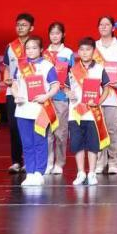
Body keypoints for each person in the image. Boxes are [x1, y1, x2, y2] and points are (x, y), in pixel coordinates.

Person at [11, 36, 60, 187]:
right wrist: (16, 96)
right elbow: (14, 84)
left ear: (41, 50)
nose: (30, 51)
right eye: (28, 48)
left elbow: (56, 85)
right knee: (26, 143)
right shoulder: (21, 66)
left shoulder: (47, 66)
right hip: (22, 109)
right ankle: (30, 172)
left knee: (39, 141)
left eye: (34, 48)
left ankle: (39, 172)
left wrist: (46, 96)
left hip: (40, 110)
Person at [68, 38, 112, 186]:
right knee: (77, 143)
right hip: (75, 113)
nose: (85, 52)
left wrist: (99, 102)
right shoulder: (72, 69)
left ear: (94, 51)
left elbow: (106, 88)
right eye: (82, 49)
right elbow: (66, 87)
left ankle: (92, 173)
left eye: (88, 49)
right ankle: (81, 173)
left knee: (93, 144)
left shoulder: (100, 68)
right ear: (78, 51)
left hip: (92, 113)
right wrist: (68, 93)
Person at [92, 16, 117, 176]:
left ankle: (113, 161)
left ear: (113, 28)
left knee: (113, 129)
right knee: (98, 129)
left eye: (107, 24)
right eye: (101, 24)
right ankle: (100, 161)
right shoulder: (93, 46)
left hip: (114, 94)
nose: (103, 27)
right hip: (96, 94)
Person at [2, 13, 35, 174]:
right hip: (13, 92)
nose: (20, 27)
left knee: (30, 126)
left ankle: (30, 160)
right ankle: (16, 161)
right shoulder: (10, 47)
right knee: (14, 127)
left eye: (24, 25)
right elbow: (7, 69)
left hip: (31, 91)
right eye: (18, 25)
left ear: (31, 28)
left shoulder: (34, 46)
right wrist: (6, 79)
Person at [43, 22, 74, 176]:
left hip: (61, 96)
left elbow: (72, 74)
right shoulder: (43, 53)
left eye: (57, 33)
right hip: (46, 98)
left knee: (60, 132)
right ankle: (48, 162)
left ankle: (59, 163)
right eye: (52, 33)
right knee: (46, 132)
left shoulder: (68, 53)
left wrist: (69, 91)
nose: (54, 36)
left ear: (63, 35)